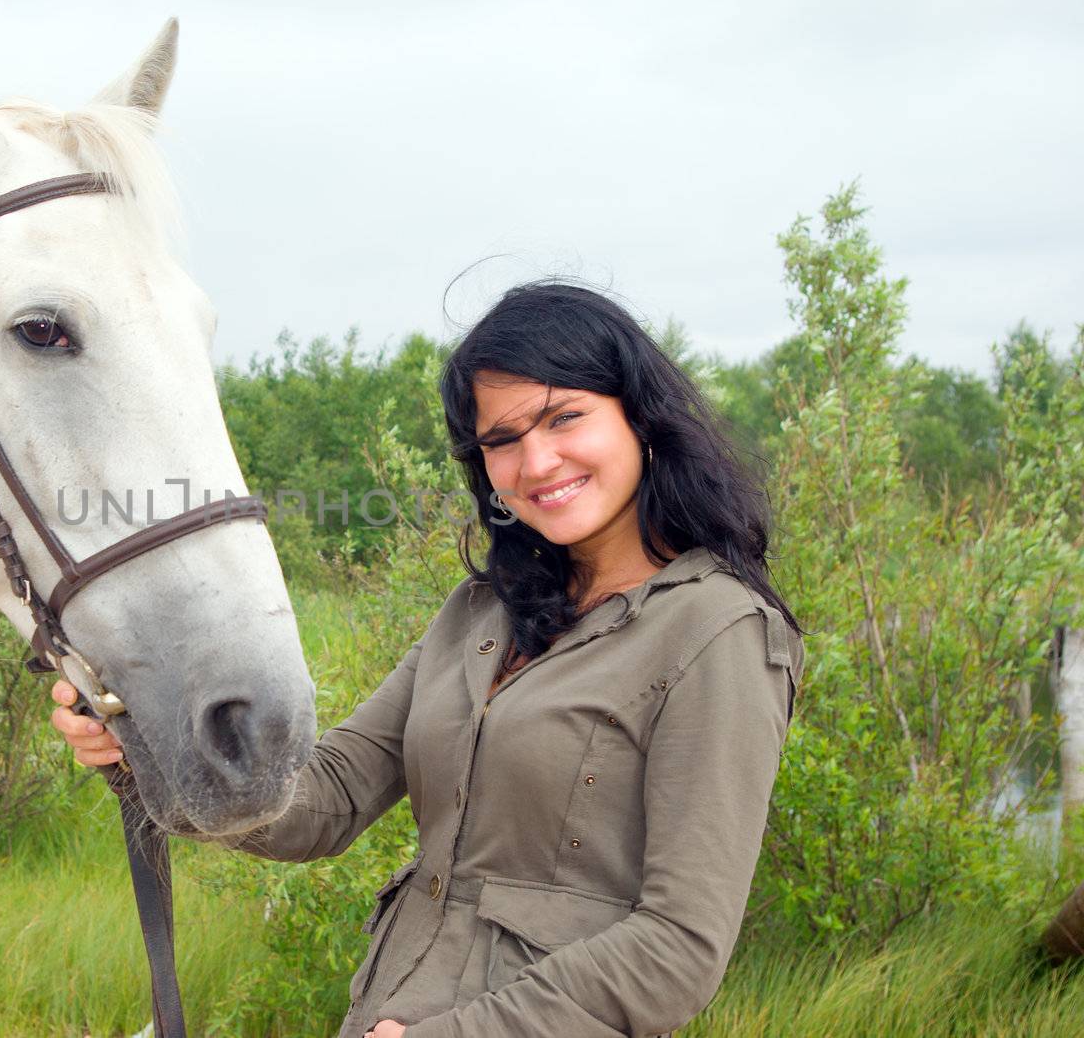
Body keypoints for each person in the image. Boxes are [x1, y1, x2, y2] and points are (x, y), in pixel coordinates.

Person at [50, 282, 804, 1038]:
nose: (536, 460)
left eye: (564, 417)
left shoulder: (720, 629)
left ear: (641, 418)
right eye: (502, 439)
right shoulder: (481, 612)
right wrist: (146, 746)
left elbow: (679, 944)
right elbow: (325, 800)